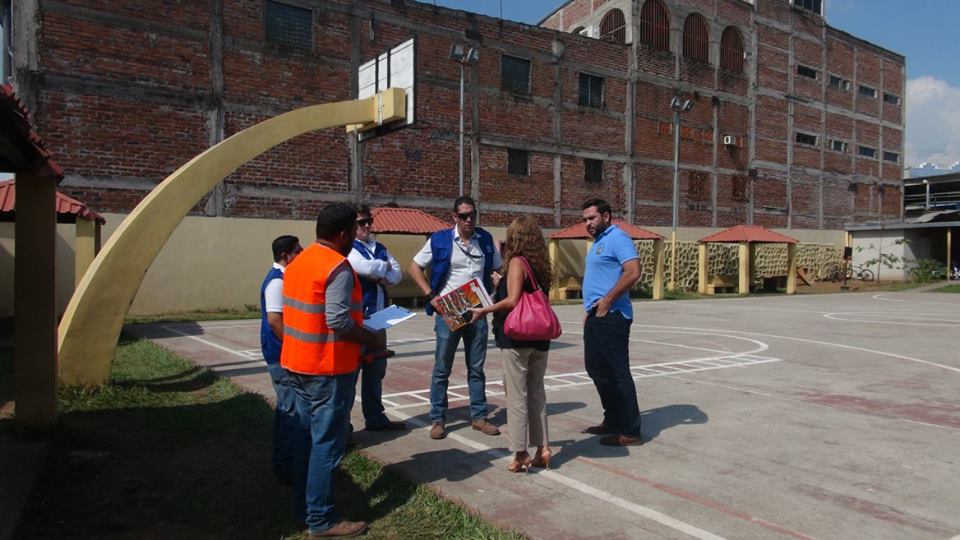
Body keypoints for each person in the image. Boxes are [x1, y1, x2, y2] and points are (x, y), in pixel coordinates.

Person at [282, 202, 386, 538]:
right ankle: (321, 519)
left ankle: (304, 505)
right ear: (344, 234)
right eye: (354, 231)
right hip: (326, 370)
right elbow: (339, 321)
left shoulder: (299, 262)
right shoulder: (337, 267)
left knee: (305, 438)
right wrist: (371, 338)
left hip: (297, 363)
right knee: (327, 443)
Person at [409, 196, 502, 440]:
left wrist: (496, 278)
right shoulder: (440, 239)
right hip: (449, 310)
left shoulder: (486, 240)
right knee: (442, 369)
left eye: (472, 214)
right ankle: (438, 419)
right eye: (463, 216)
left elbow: (498, 268)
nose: (469, 219)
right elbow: (414, 267)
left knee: (476, 367)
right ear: (454, 217)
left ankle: (479, 417)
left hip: (477, 311)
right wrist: (431, 295)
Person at [469, 215, 554, 472]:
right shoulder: (540, 264)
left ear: (515, 238)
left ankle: (519, 454)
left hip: (517, 336)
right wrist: (501, 283)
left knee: (517, 396)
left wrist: (484, 310)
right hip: (540, 336)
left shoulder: (517, 261)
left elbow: (513, 301)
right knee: (537, 394)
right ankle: (543, 448)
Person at [580, 198, 643, 447]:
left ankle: (631, 431)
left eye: (592, 218)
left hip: (613, 316)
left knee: (618, 373)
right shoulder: (599, 242)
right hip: (596, 315)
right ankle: (614, 418)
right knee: (595, 368)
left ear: (606, 216)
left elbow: (634, 271)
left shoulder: (618, 238)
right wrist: (591, 310)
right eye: (585, 219)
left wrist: (607, 300)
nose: (588, 223)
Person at [347, 204, 406, 431]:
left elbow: (398, 273)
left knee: (376, 371)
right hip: (358, 320)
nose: (366, 226)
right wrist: (384, 268)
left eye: (368, 221)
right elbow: (365, 268)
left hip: (380, 319)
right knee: (351, 374)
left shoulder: (379, 246)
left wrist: (382, 271)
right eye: (361, 222)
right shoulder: (349, 247)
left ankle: (375, 417)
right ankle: (345, 426)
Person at [260, 235, 304, 484]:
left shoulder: (283, 278)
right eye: (298, 251)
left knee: (289, 408)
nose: (302, 253)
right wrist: (296, 344)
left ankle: (286, 459)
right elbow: (275, 320)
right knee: (289, 410)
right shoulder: (276, 282)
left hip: (282, 352)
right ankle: (284, 465)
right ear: (286, 255)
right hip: (280, 354)